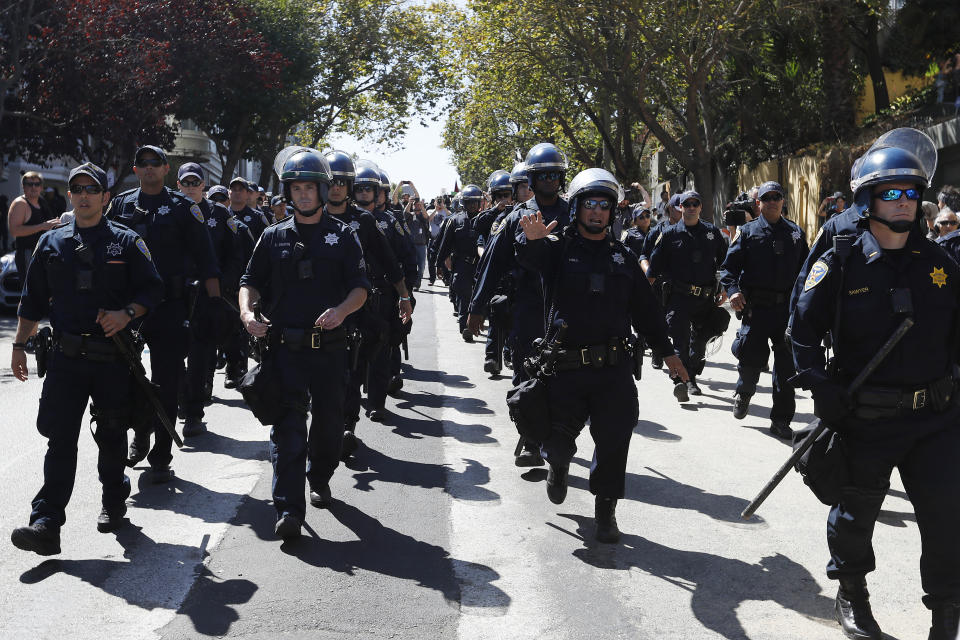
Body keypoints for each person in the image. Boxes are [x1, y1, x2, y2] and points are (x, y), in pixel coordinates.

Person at [790, 130, 960, 640]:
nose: (905, 203)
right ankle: (853, 596)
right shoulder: (840, 262)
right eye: (892, 193)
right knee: (855, 513)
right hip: (865, 415)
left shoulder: (943, 266)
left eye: (912, 193)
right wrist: (822, 389)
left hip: (935, 419)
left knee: (947, 518)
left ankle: (946, 611)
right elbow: (801, 330)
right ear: (868, 200)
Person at [515, 168, 688, 542]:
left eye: (603, 206)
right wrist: (532, 242)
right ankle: (557, 468)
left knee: (614, 442)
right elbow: (532, 261)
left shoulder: (625, 258)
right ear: (577, 208)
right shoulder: (556, 249)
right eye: (589, 205)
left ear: (612, 213)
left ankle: (605, 512)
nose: (596, 212)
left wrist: (669, 354)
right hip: (564, 370)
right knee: (558, 448)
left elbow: (647, 313)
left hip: (612, 371)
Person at [9, 162, 164, 555]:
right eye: (76, 189)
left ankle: (113, 501)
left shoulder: (127, 242)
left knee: (111, 436)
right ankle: (46, 522)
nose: (82, 195)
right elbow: (31, 301)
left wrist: (126, 314)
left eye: (90, 189)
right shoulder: (52, 242)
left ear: (105, 197)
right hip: (65, 358)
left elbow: (153, 290)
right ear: (69, 196)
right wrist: (18, 346)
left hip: (112, 358)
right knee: (60, 440)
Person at [240, 148, 369, 541]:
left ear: (323, 190)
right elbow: (249, 281)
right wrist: (247, 314)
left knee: (329, 426)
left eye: (310, 188)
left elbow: (361, 288)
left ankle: (321, 475)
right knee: (288, 429)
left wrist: (342, 311)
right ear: (288, 192)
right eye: (296, 188)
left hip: (329, 349)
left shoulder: (344, 236)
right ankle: (289, 509)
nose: (303, 195)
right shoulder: (272, 236)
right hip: (285, 350)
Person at [105, 145, 220, 482]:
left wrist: (214, 307)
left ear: (166, 168)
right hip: (129, 310)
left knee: (167, 381)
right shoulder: (121, 206)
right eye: (143, 163)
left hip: (170, 307)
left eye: (156, 163)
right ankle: (140, 431)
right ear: (136, 169)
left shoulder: (184, 207)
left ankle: (161, 453)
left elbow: (207, 259)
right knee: (126, 379)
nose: (150, 168)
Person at [467, 142, 570, 467]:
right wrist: (477, 307)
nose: (549, 181)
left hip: (567, 312)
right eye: (543, 175)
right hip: (526, 310)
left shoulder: (575, 213)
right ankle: (529, 439)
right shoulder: (516, 218)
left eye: (555, 175)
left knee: (566, 381)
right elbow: (492, 265)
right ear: (532, 179)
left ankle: (556, 439)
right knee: (527, 376)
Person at [324, 151, 410, 446]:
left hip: (358, 309)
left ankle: (348, 426)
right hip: (316, 313)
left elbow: (391, 262)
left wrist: (404, 297)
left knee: (352, 371)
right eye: (331, 181)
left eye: (342, 182)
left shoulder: (364, 220)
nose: (336, 188)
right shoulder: (308, 217)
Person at [719, 181, 808, 438]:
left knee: (785, 368)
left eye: (776, 197)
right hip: (755, 309)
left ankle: (780, 419)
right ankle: (744, 393)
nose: (771, 201)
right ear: (758, 203)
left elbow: (808, 271)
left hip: (786, 311)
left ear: (782, 201)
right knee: (751, 358)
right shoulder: (747, 233)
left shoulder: (795, 233)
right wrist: (733, 290)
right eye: (766, 198)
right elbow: (728, 268)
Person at [176, 162, 248, 437]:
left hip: (208, 297)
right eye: (186, 183)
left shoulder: (219, 214)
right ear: (179, 184)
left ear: (203, 185)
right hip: (175, 296)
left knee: (200, 359)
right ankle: (182, 399)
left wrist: (223, 286)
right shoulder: (170, 212)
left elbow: (236, 254)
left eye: (196, 183)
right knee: (171, 359)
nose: (191, 187)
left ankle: (194, 413)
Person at [647, 190, 729, 400]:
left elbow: (727, 262)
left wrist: (727, 288)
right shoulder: (670, 234)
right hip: (680, 296)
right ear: (680, 208)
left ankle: (691, 373)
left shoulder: (712, 233)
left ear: (700, 207)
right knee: (679, 341)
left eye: (695, 204)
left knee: (701, 341)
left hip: (705, 297)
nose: (691, 207)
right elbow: (654, 267)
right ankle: (683, 381)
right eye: (687, 204)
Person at [438, 184, 485, 342]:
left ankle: (477, 321)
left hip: (481, 265)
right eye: (469, 202)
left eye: (475, 202)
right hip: (462, 265)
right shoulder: (455, 221)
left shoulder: (486, 219)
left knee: (479, 296)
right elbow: (445, 244)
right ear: (464, 203)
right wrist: (439, 264)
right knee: (464, 296)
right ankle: (466, 327)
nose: (473, 205)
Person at [8, 171, 59, 279]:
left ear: (41, 187)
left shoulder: (41, 202)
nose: (34, 187)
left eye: (37, 184)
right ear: (23, 187)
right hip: (28, 253)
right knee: (30, 291)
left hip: (42, 253)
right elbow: (14, 230)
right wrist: (42, 226)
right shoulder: (20, 203)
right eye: (29, 184)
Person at [402, 193, 431, 288]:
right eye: (416, 204)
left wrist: (422, 206)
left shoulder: (423, 216)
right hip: (411, 244)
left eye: (419, 204)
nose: (417, 205)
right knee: (411, 265)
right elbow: (404, 213)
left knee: (422, 266)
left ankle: (418, 280)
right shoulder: (410, 215)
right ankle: (414, 282)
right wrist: (409, 203)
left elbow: (427, 217)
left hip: (421, 245)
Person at [427, 196, 450, 285]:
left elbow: (451, 217)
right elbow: (428, 219)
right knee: (431, 260)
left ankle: (446, 278)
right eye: (438, 202)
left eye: (441, 202)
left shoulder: (446, 211)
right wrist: (436, 209)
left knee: (444, 259)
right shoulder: (430, 210)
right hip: (432, 239)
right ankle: (432, 279)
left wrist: (444, 207)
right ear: (434, 203)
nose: (439, 204)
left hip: (443, 240)